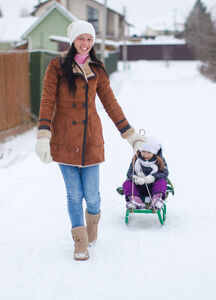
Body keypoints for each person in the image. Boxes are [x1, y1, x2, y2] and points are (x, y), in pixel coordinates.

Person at [34, 20, 146, 261]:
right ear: (72, 40)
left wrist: (131, 135)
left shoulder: (98, 69)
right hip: (64, 139)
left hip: (90, 140)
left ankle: (92, 225)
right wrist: (44, 136)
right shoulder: (56, 67)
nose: (84, 44)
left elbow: (110, 104)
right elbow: (46, 103)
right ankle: (80, 241)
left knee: (92, 196)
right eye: (80, 39)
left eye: (89, 39)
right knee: (74, 195)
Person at [122, 136, 169, 210]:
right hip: (139, 187)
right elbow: (129, 173)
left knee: (162, 181)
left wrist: (153, 177)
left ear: (154, 152)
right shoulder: (136, 159)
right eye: (143, 151)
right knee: (127, 183)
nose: (146, 155)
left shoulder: (160, 160)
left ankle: (156, 200)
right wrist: (135, 178)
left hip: (153, 188)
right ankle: (135, 200)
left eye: (149, 152)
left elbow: (165, 173)